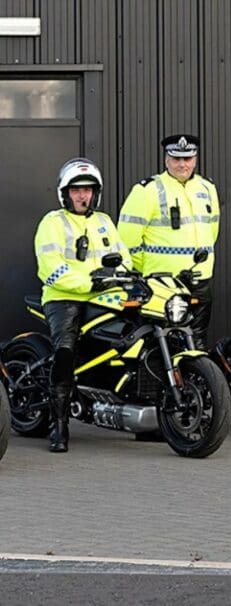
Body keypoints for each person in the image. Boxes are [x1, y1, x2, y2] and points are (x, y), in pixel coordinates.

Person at [34, 158, 132, 453]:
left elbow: (123, 257)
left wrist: (122, 276)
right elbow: (49, 268)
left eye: (88, 190)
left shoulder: (104, 222)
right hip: (64, 298)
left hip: (103, 297)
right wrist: (90, 283)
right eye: (76, 190)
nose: (82, 195)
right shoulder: (53, 222)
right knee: (66, 350)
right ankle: (59, 425)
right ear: (65, 193)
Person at [117, 134, 220, 347]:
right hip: (162, 283)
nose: (182, 164)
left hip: (200, 281)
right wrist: (148, 271)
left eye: (188, 158)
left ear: (195, 159)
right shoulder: (147, 190)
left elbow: (212, 231)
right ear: (166, 160)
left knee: (197, 343)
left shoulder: (207, 188)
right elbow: (127, 238)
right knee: (161, 345)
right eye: (176, 158)